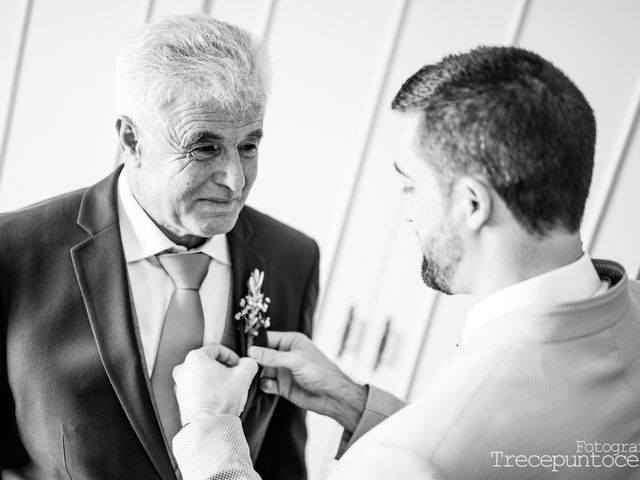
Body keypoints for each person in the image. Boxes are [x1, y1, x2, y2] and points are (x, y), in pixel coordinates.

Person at [170, 46, 640, 479]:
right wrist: (356, 404)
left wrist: (211, 429)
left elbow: (441, 455)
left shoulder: (410, 458)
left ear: (472, 205)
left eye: (411, 184)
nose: (407, 210)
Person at [0, 15, 319, 480]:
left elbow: (281, 462)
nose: (235, 181)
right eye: (203, 149)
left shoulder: (292, 258)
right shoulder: (15, 252)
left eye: (249, 146)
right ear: (132, 140)